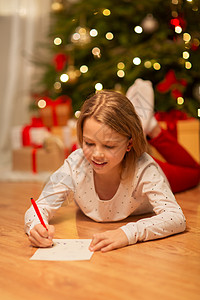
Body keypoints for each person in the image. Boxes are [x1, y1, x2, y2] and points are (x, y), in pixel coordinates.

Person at [25, 88, 187, 252]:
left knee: (193, 172)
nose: (97, 155)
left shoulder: (145, 168)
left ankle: (149, 125)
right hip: (124, 160)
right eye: (89, 143)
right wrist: (35, 226)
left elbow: (176, 217)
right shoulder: (76, 163)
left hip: (159, 171)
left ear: (129, 144)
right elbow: (39, 207)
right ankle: (142, 122)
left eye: (109, 146)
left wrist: (127, 233)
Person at [126, 78, 200, 194]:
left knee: (195, 173)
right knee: (195, 173)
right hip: (131, 167)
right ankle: (151, 128)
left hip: (130, 162)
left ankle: (146, 128)